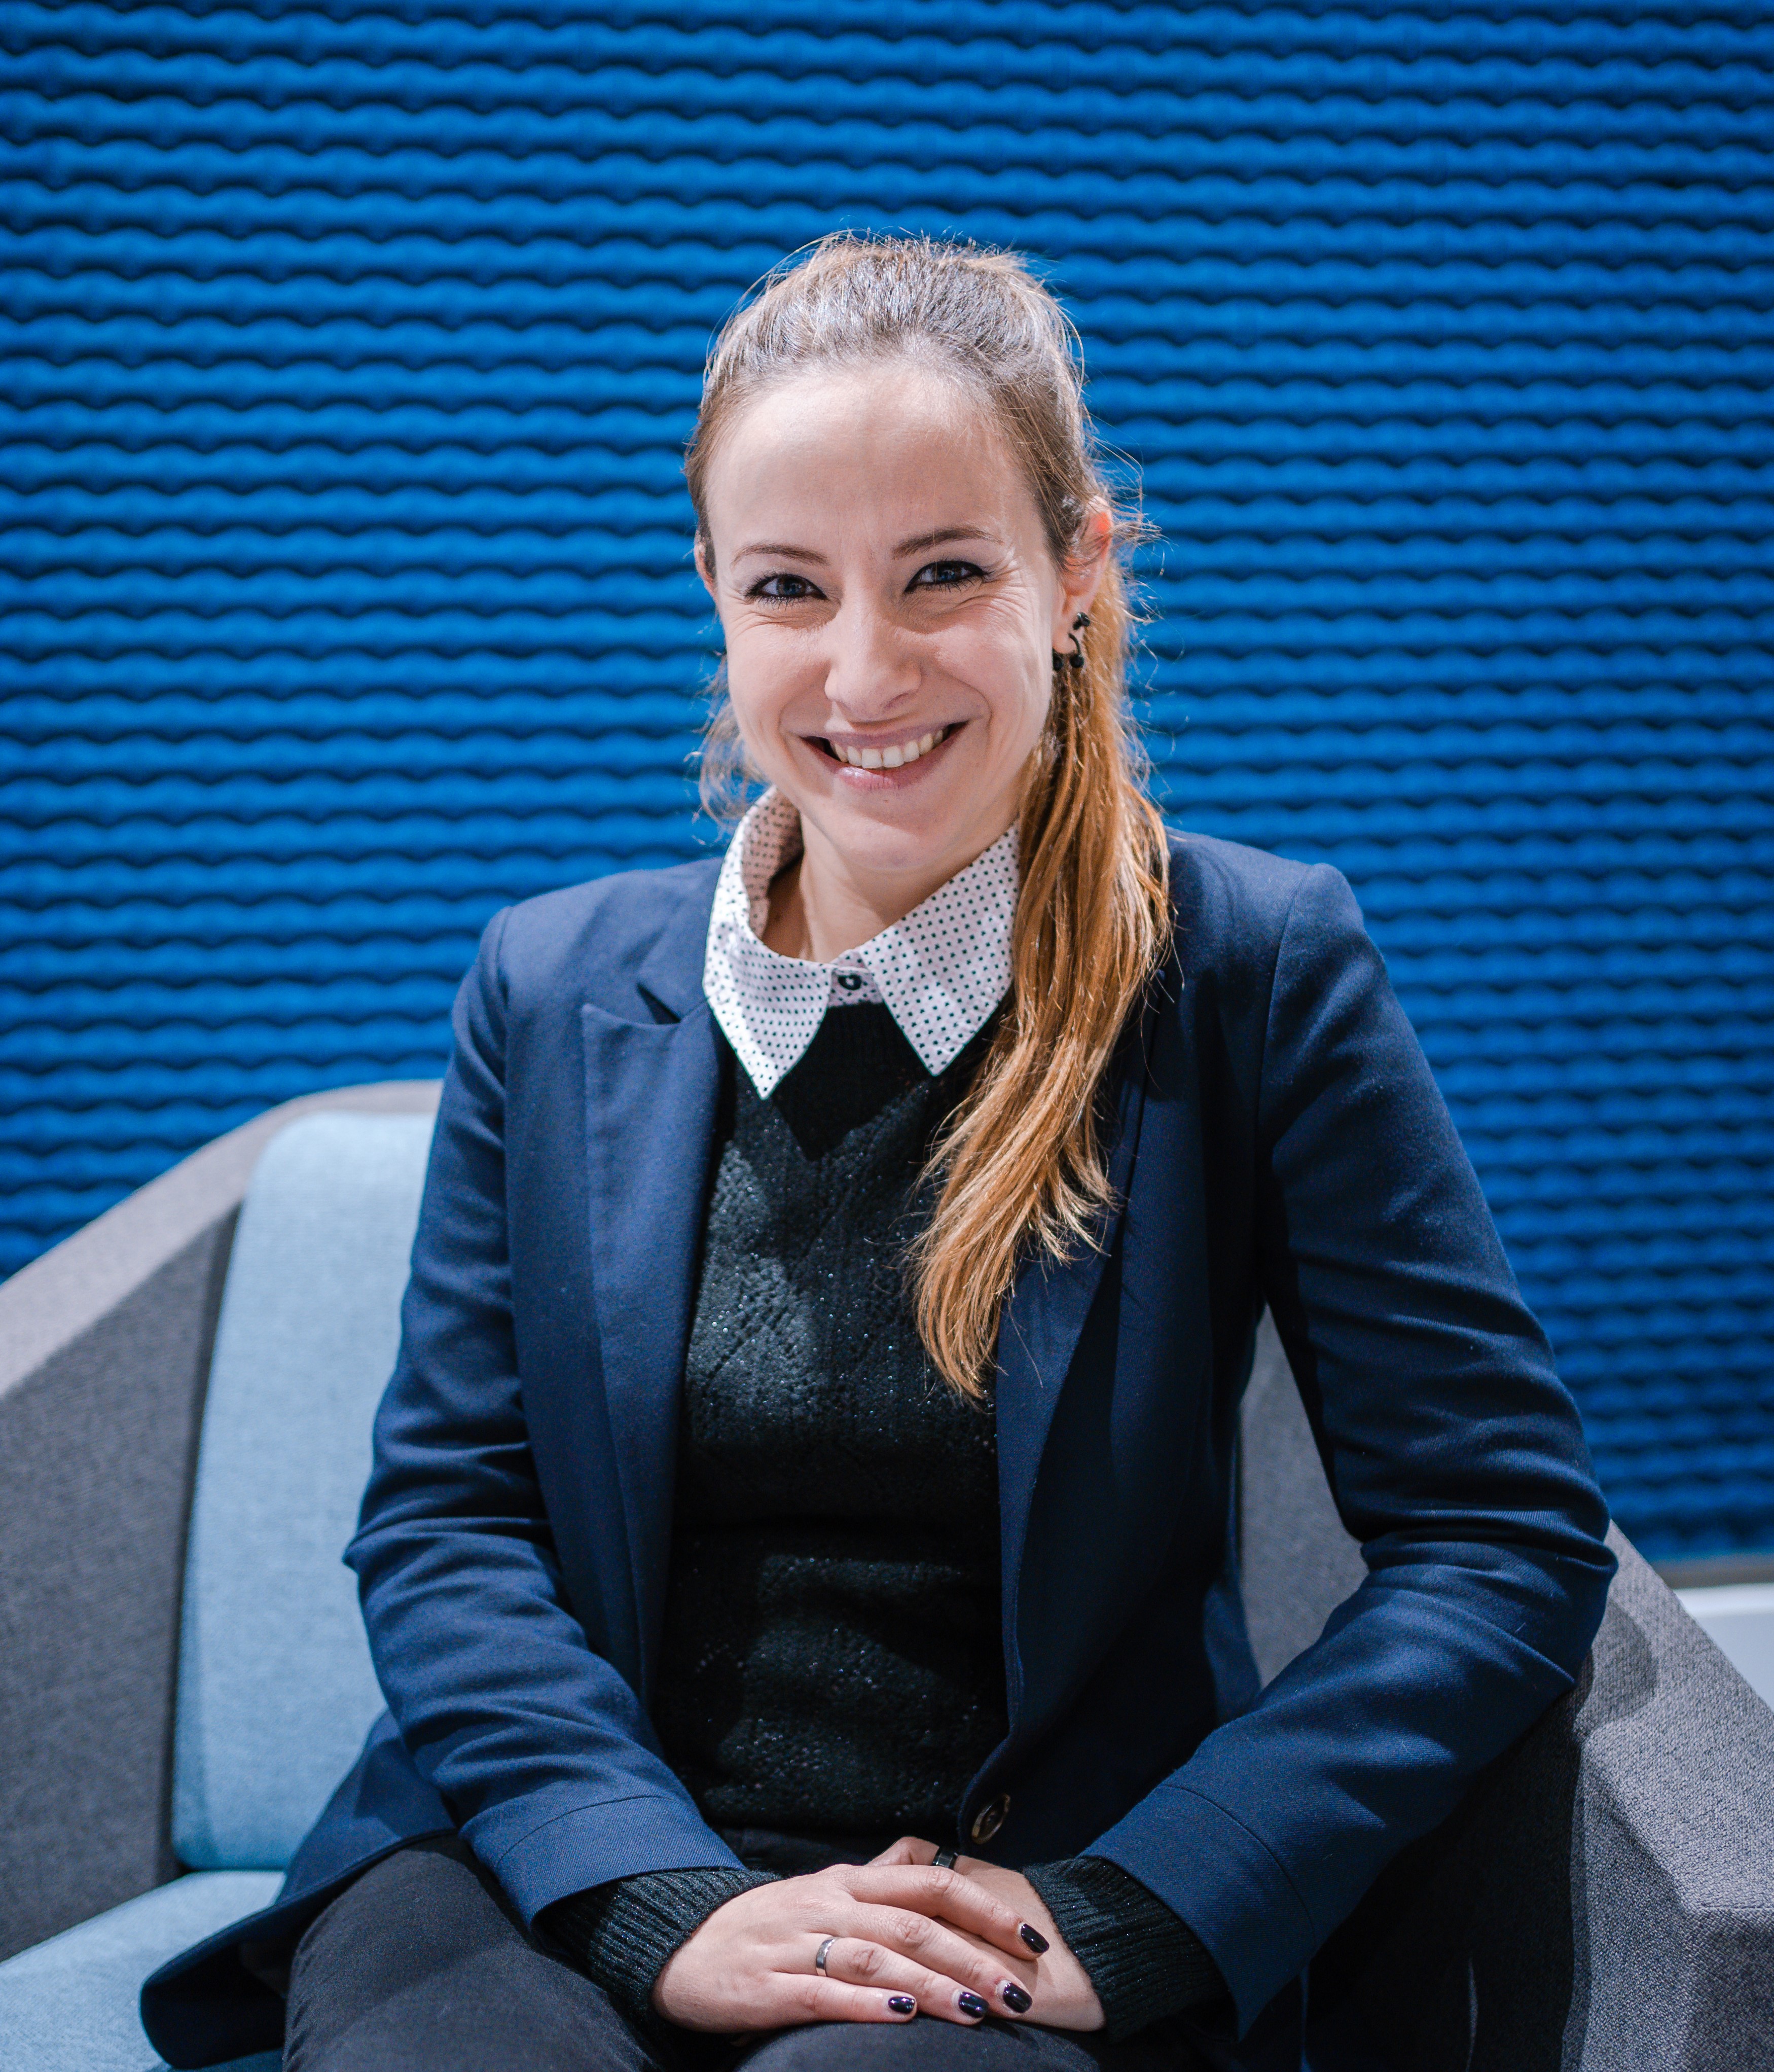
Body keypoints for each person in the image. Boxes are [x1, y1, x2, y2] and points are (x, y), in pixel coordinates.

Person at [142, 234, 1614, 2072]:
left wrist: (1148, 1904)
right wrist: (655, 1898)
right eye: (787, 587)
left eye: (942, 574)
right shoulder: (548, 980)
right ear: (711, 589)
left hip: (1002, 1905)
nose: (862, 670)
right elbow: (450, 1520)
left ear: (1075, 573)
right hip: (552, 1857)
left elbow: (1495, 1533)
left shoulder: (1247, 970)